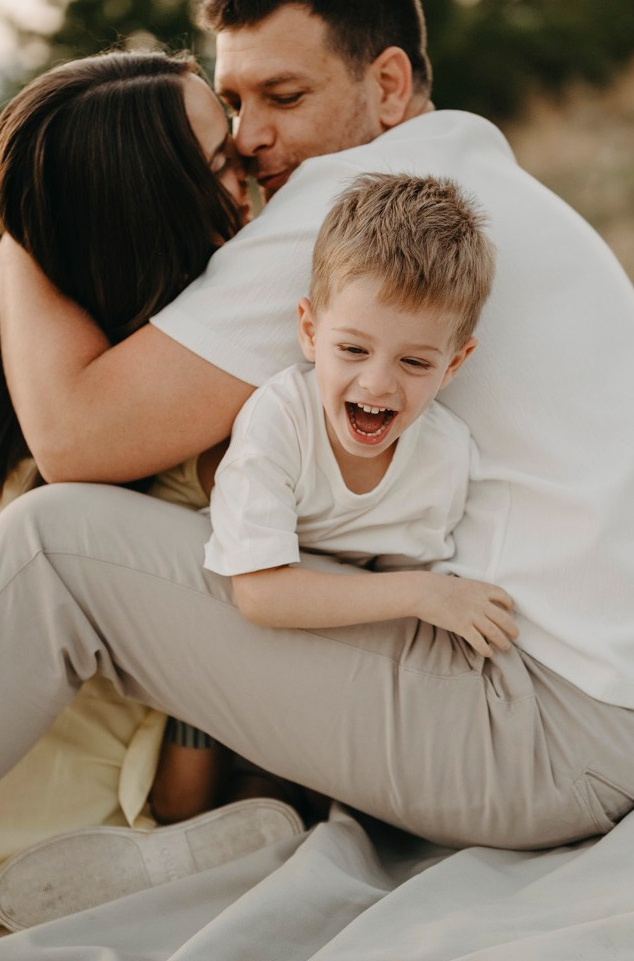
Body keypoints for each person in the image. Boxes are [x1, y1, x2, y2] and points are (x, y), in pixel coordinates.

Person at [0, 0, 634, 886]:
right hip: (593, 705)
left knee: (55, 544)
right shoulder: (468, 184)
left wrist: (27, 211)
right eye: (233, 102)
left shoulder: (357, 208)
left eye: (285, 98)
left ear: (389, 87)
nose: (253, 137)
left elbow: (76, 441)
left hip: (541, 728)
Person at [0, 52, 300, 925]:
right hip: (57, 816)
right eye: (222, 160)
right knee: (247, 803)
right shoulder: (193, 403)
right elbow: (212, 666)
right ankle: (159, 843)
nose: (252, 165)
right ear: (158, 203)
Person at [207, 173, 518, 659]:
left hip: (341, 641)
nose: (377, 384)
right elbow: (257, 593)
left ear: (453, 364)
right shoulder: (281, 419)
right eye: (353, 349)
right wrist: (423, 594)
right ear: (310, 331)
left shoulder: (448, 455)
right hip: (230, 615)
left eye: (414, 362)